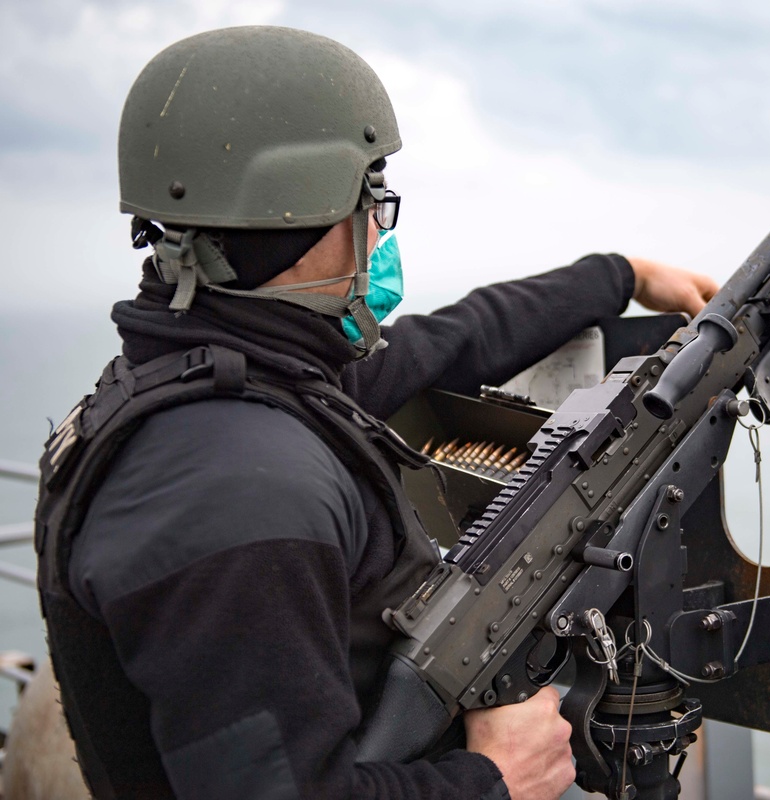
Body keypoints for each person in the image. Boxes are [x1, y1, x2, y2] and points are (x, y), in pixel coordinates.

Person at [35, 26, 718, 800]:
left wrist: (618, 276)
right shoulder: (240, 490)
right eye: (372, 199)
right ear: (307, 213)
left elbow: (451, 342)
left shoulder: (215, 388)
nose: (377, 231)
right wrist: (494, 778)